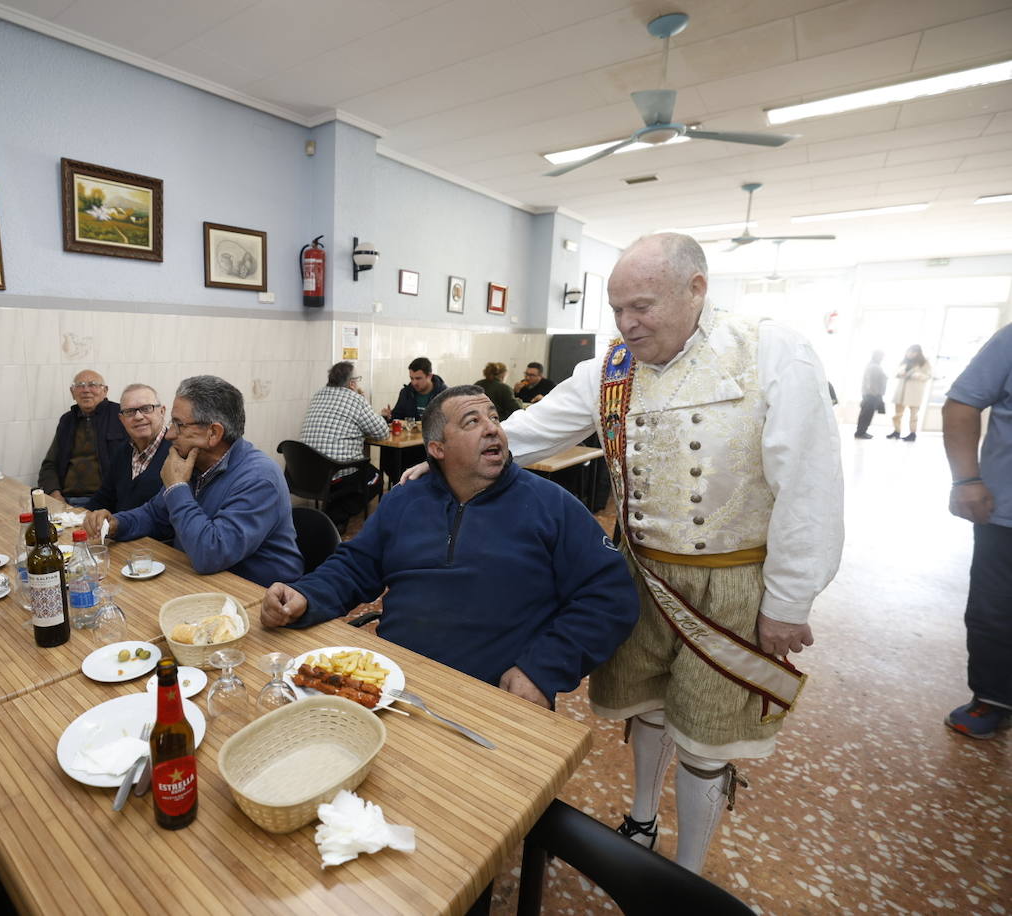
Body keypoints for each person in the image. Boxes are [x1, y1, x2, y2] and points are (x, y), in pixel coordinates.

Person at [400, 233, 843, 874]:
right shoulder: (612, 365)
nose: (627, 325)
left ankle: (686, 871)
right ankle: (641, 816)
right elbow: (538, 425)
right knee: (649, 709)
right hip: (638, 575)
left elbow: (810, 483)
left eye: (642, 307)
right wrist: (446, 462)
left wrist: (791, 597)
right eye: (617, 311)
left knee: (706, 738)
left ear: (697, 289)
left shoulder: (771, 351)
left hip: (730, 582)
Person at [262, 386, 639, 707]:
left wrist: (543, 669)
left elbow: (610, 596)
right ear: (438, 449)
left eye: (494, 417)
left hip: (493, 694)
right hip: (397, 686)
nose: (492, 428)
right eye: (472, 422)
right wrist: (305, 594)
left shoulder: (552, 506)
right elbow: (355, 566)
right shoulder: (403, 501)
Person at [84, 376, 303, 587]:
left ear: (213, 433)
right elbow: (155, 515)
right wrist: (115, 524)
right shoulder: (194, 462)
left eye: (179, 425)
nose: (169, 434)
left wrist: (177, 487)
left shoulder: (259, 478)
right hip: (202, 582)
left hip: (257, 596)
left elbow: (211, 553)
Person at [942, 323, 1012, 740]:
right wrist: (966, 480)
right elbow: (962, 404)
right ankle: (993, 697)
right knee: (995, 608)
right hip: (1005, 516)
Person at [298, 361, 387, 529]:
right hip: (336, 472)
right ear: (352, 383)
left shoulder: (318, 394)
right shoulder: (355, 399)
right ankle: (336, 516)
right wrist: (362, 399)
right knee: (375, 479)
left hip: (306, 473)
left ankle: (332, 510)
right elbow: (382, 432)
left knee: (354, 474)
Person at [38, 369, 129, 507]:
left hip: (108, 502)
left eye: (93, 384)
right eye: (80, 385)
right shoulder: (66, 421)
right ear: (72, 392)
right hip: (66, 501)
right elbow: (50, 465)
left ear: (105, 391)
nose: (86, 390)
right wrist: (54, 495)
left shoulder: (122, 416)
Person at [86, 384, 172, 513]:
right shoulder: (122, 452)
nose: (138, 417)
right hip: (119, 530)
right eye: (129, 412)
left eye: (146, 408)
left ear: (162, 411)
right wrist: (79, 519)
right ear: (121, 419)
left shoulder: (177, 452)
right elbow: (103, 498)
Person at [887, 345, 931, 441]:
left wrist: (916, 375)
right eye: (908, 352)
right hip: (901, 392)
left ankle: (912, 434)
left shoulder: (924, 362)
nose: (910, 354)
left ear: (918, 353)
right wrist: (899, 373)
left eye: (913, 352)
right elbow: (895, 372)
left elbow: (928, 376)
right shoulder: (904, 362)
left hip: (915, 392)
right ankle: (897, 431)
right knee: (897, 414)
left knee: (913, 415)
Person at [382, 357, 447, 420]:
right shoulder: (406, 393)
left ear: (429, 376)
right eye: (412, 378)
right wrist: (388, 417)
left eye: (418, 378)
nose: (414, 383)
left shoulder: (445, 394)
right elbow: (397, 418)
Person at [855, 350, 886, 439]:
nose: (882, 359)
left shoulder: (872, 365)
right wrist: (876, 394)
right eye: (882, 356)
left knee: (866, 414)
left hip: (869, 394)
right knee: (866, 414)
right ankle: (860, 432)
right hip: (872, 395)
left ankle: (861, 431)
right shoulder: (874, 367)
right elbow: (872, 382)